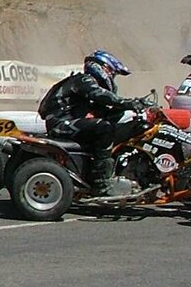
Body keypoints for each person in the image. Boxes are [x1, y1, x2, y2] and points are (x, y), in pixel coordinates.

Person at [38, 50, 137, 195]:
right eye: (112, 72)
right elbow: (101, 96)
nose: (112, 77)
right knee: (104, 127)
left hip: (67, 123)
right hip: (61, 124)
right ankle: (100, 182)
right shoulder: (83, 80)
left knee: (113, 123)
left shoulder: (84, 90)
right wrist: (130, 102)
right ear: (102, 68)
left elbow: (104, 110)